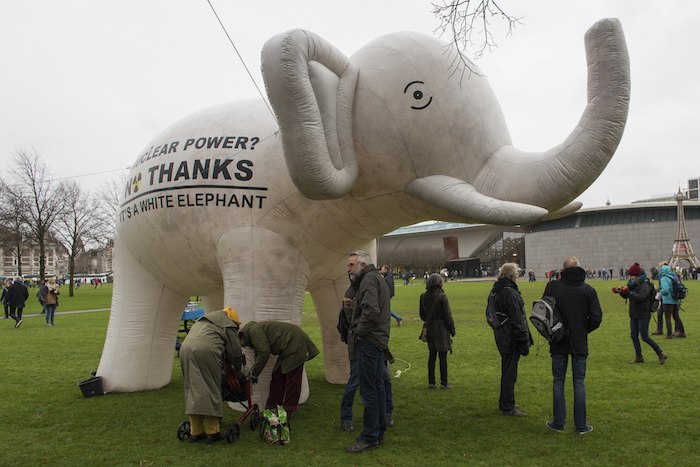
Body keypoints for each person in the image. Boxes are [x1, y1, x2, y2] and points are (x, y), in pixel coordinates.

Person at [543, 257, 602, 435]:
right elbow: (596, 319)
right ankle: (580, 425)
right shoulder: (588, 290)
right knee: (579, 382)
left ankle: (559, 423)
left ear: (563, 270)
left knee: (558, 381)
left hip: (558, 339)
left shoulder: (553, 287)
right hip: (579, 341)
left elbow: (543, 311)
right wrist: (582, 330)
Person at [345, 251, 391, 453]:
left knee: (369, 391)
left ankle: (370, 436)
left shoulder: (369, 281)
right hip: (377, 341)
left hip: (369, 342)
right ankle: (378, 432)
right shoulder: (375, 278)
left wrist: (360, 333)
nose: (349, 269)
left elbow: (371, 310)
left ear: (363, 265)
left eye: (352, 265)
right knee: (378, 388)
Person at [338, 274, 395, 433]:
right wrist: (361, 331)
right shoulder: (351, 293)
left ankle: (386, 413)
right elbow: (353, 321)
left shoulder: (372, 286)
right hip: (360, 343)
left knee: (384, 379)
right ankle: (346, 417)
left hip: (375, 343)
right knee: (356, 380)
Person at [179, 306, 243, 444]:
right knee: (210, 388)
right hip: (205, 352)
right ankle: (212, 432)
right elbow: (235, 351)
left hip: (185, 349)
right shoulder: (228, 325)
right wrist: (239, 369)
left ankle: (195, 432)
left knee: (192, 389)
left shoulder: (206, 319)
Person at [239, 319, 319, 415]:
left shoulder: (253, 331)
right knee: (277, 377)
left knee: (292, 380)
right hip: (288, 347)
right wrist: (254, 372)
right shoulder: (253, 332)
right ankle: (272, 408)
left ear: (242, 336)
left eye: (242, 343)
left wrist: (254, 373)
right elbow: (259, 352)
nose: (244, 346)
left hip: (296, 344)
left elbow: (264, 352)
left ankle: (288, 410)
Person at [490, 263, 532, 417]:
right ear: (512, 276)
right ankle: (508, 406)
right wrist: (524, 342)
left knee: (507, 370)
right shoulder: (509, 293)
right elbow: (518, 320)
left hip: (502, 336)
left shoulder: (497, 290)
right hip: (510, 338)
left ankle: (505, 401)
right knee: (510, 374)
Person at [617, 263, 667, 364]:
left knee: (644, 337)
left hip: (643, 314)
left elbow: (641, 298)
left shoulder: (645, 285)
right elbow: (628, 296)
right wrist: (621, 292)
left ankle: (660, 353)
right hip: (634, 314)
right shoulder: (633, 285)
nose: (630, 278)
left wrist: (629, 293)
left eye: (632, 276)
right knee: (634, 336)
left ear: (637, 276)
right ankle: (639, 357)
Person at [419, 273, 456, 390]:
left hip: (430, 327)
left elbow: (422, 315)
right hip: (441, 328)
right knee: (443, 357)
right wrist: (452, 330)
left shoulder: (423, 296)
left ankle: (431, 382)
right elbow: (448, 316)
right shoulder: (442, 296)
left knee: (432, 356)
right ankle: (444, 383)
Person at [657, 263, 684, 339]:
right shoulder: (673, 276)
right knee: (676, 316)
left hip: (667, 300)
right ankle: (682, 332)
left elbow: (665, 290)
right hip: (675, 299)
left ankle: (669, 334)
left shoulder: (664, 278)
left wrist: (660, 291)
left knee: (667, 317)